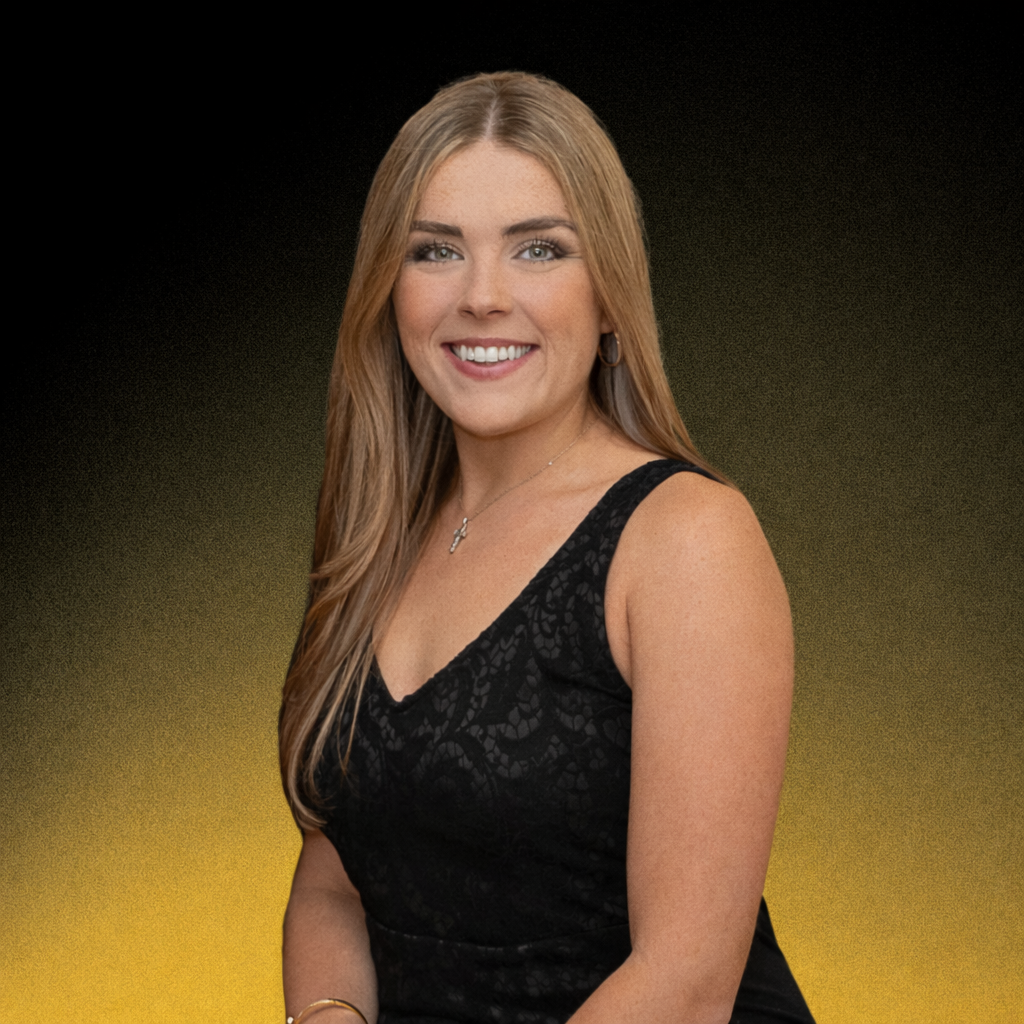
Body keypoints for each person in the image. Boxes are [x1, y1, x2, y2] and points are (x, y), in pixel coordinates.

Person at [279, 72, 815, 1024]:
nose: (483, 297)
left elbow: (687, 982)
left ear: (608, 296)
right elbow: (337, 880)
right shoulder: (377, 541)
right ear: (390, 290)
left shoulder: (685, 538)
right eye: (436, 251)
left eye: (539, 249)